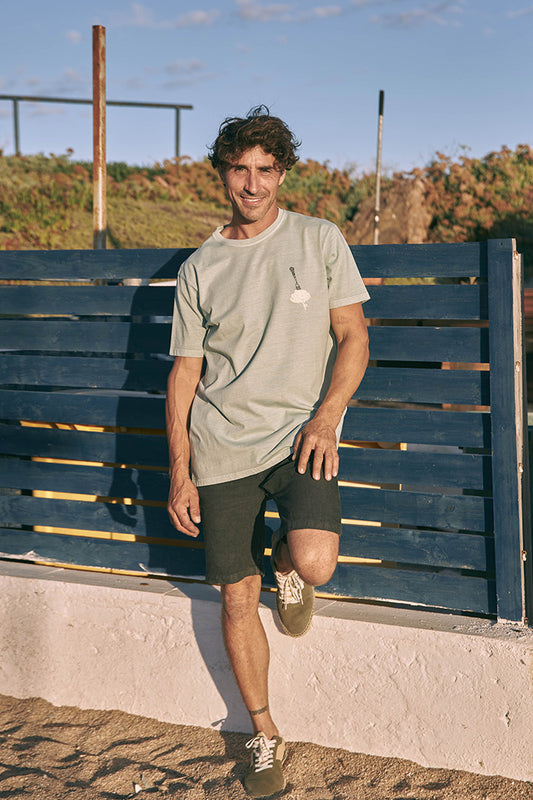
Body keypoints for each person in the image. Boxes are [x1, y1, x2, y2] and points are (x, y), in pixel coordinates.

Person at [166, 105, 369, 798]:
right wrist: (180, 470)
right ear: (222, 173)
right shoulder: (200, 267)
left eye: (264, 170)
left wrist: (327, 418)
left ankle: (285, 566)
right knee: (235, 596)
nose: (251, 184)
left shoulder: (319, 238)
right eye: (239, 169)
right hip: (221, 448)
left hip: (299, 438)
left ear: (281, 174)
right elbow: (185, 374)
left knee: (316, 561)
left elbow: (353, 337)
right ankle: (263, 732)